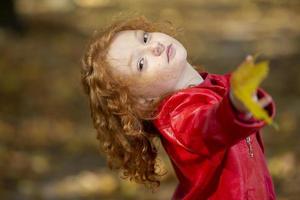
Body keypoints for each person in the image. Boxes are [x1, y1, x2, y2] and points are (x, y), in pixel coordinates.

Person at [80, 15, 276, 200]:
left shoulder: (211, 84)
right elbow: (208, 125)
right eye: (141, 63)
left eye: (145, 38)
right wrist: (234, 107)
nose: (153, 48)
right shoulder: (178, 119)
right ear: (145, 104)